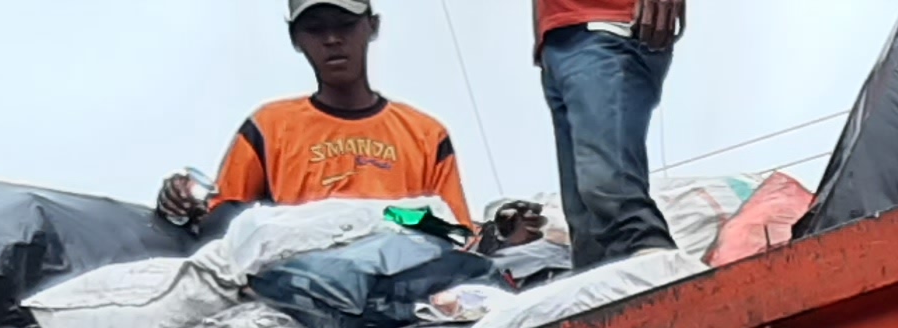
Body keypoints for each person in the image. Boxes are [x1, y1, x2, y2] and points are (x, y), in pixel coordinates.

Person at [160, 2, 472, 228]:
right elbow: (222, 218)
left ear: (373, 26)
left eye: (345, 24)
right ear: (296, 39)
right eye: (315, 29)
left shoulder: (426, 135)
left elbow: (457, 233)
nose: (332, 39)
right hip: (300, 289)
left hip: (406, 292)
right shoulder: (268, 127)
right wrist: (181, 202)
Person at [535, 0, 685, 267]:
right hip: (560, 38)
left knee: (609, 187)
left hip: (605, 29)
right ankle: (609, 284)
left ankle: (657, 264)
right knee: (586, 223)